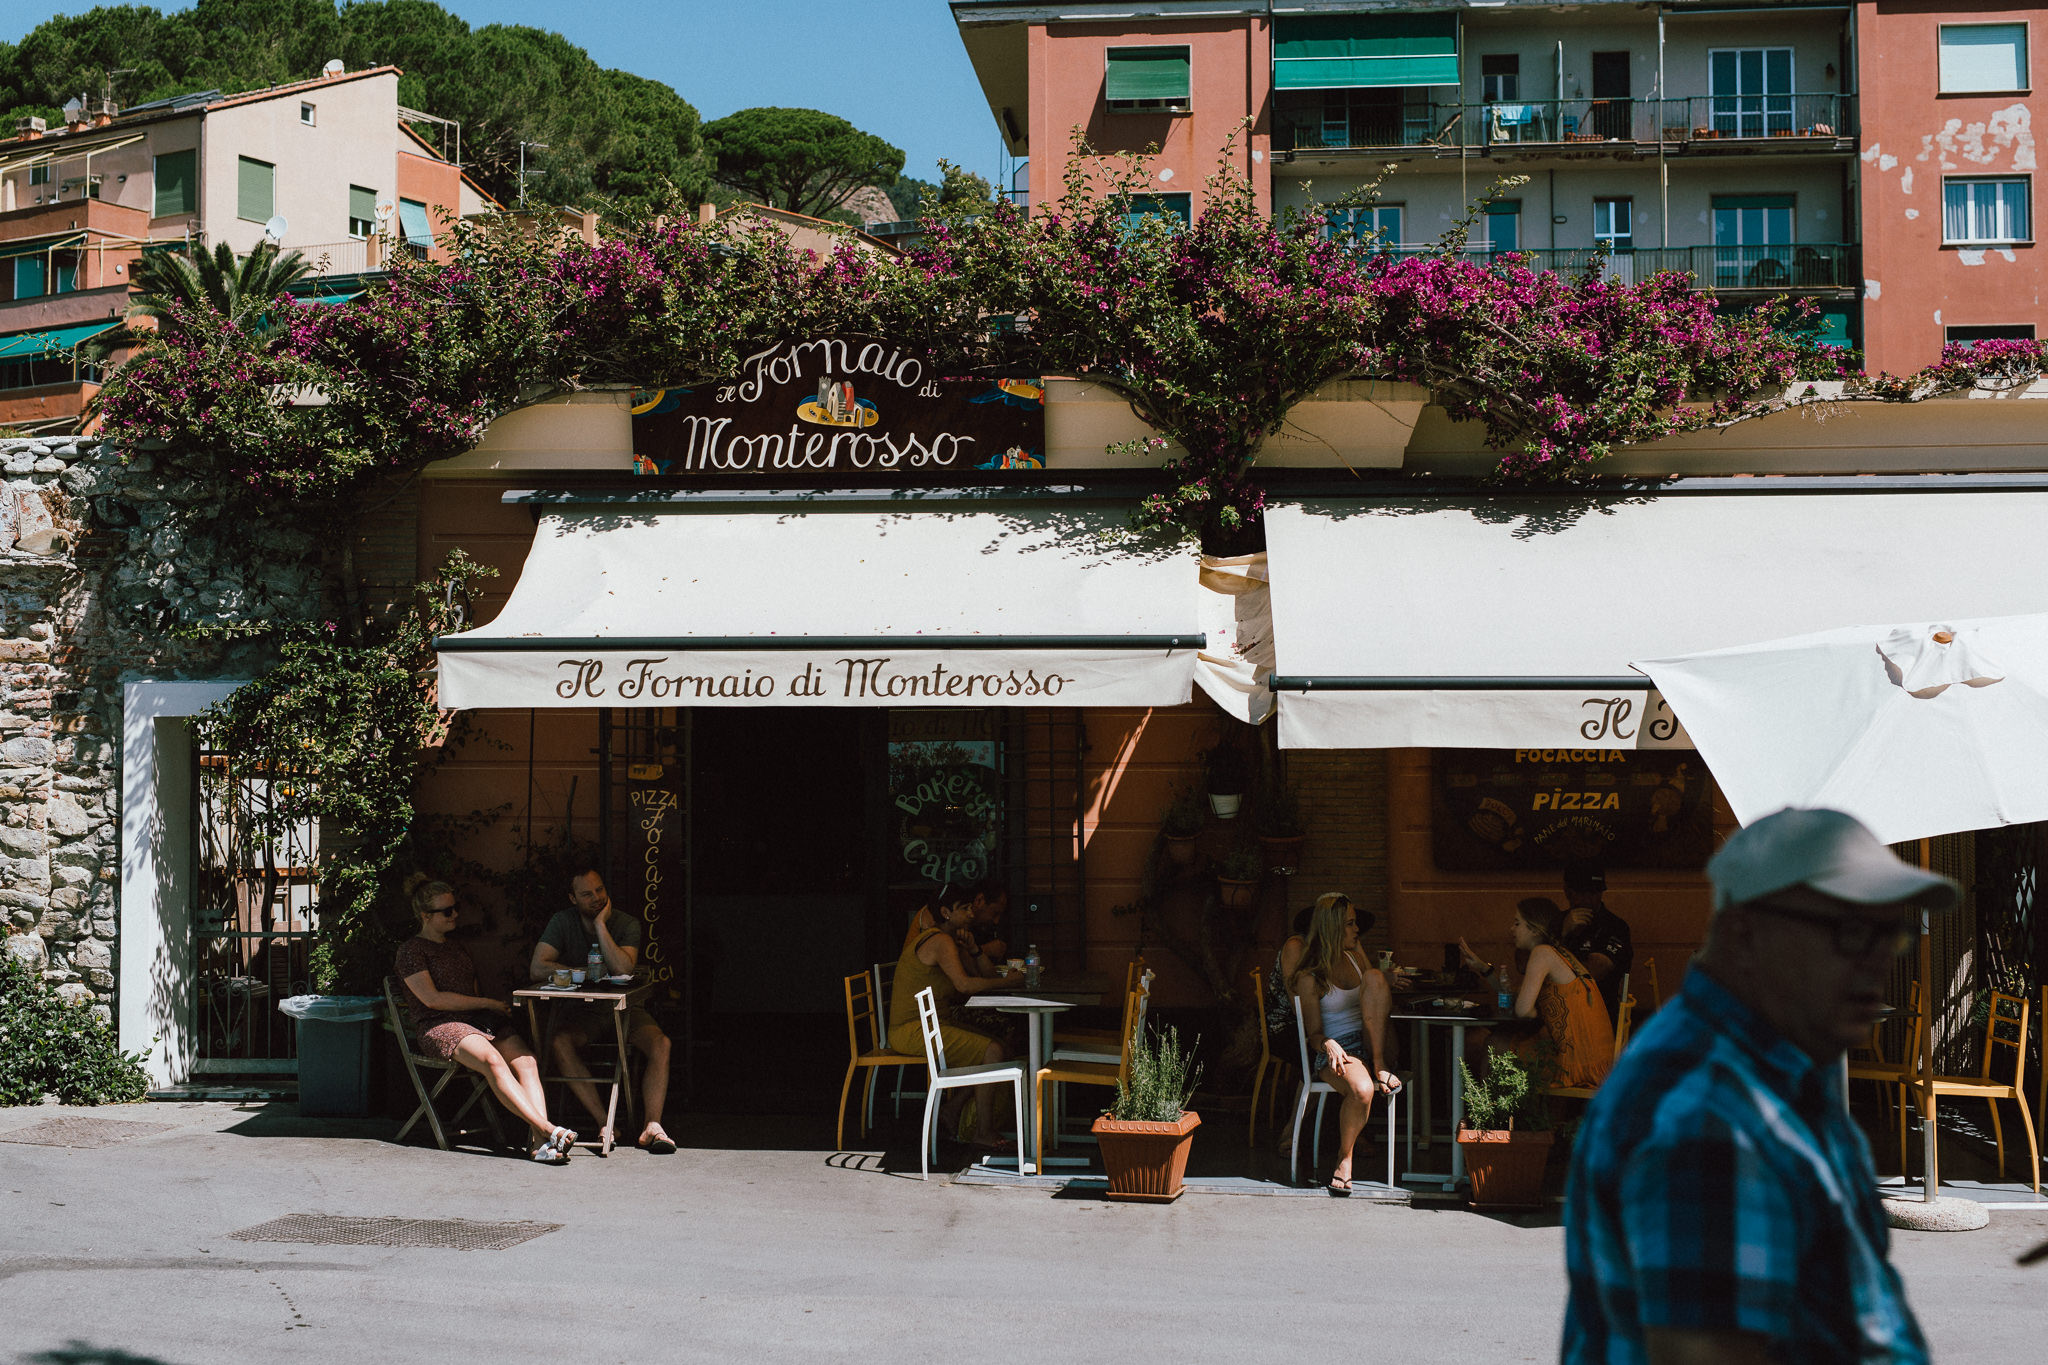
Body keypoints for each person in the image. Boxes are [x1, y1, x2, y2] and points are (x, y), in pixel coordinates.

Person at [1563, 808, 1957, 1363]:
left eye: (1888, 936)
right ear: (1745, 934)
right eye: (1848, 932)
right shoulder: (1707, 1115)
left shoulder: (1777, 1065)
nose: (1877, 964)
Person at [393, 875, 574, 1164]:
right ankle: (548, 1129)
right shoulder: (411, 951)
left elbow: (469, 991)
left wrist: (485, 1010)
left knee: (526, 1060)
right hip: (439, 1024)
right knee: (492, 1061)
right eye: (447, 911)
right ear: (425, 916)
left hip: (474, 1021)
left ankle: (540, 1142)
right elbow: (433, 1000)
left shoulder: (456, 947)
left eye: (455, 908)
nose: (455, 914)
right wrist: (487, 1003)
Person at [528, 868, 676, 1154]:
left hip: (627, 1010)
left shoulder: (626, 923)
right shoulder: (562, 922)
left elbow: (623, 967)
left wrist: (600, 925)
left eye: (599, 890)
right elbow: (538, 966)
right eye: (586, 894)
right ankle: (605, 1122)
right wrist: (578, 972)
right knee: (559, 1043)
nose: (596, 897)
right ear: (573, 898)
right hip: (587, 1015)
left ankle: (652, 1125)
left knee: (662, 1043)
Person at [888, 888, 1027, 1149]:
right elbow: (964, 985)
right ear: (945, 913)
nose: (972, 912)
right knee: (993, 1051)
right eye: (965, 908)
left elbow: (980, 973)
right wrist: (1005, 983)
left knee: (1000, 1047)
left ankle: (952, 1109)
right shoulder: (939, 941)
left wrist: (974, 949)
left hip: (934, 1024)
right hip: (913, 1030)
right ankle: (983, 1133)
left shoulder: (951, 939)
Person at [1288, 892, 1400, 1195]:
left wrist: (1356, 946)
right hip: (1338, 1050)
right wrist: (1328, 1044)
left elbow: (1375, 986)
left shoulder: (1354, 957)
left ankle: (1379, 1064)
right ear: (1333, 928)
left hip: (1373, 1043)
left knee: (1375, 977)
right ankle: (1344, 1157)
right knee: (1362, 1091)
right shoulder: (1310, 977)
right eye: (1350, 924)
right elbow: (1312, 1035)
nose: (1357, 929)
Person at [1458, 897, 1613, 1089]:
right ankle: (1501, 1115)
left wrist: (1533, 1013)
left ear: (1534, 929)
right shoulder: (1560, 953)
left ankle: (1490, 1115)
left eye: (1517, 923)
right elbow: (1518, 1000)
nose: (1511, 929)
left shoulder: (1541, 953)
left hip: (1574, 1064)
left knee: (1495, 1043)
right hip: (1595, 1061)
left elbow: (1522, 1010)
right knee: (1503, 1042)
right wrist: (1484, 968)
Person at [1559, 862, 1633, 1023]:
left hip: (1599, 1015)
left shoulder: (1616, 927)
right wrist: (1563, 934)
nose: (1587, 899)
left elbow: (1594, 972)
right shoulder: (1556, 922)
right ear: (1567, 891)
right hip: (1558, 1012)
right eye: (1581, 892)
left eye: (1593, 892)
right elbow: (1525, 965)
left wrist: (1553, 957)